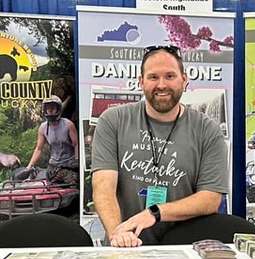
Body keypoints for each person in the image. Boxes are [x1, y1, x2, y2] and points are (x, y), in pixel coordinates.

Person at [91, 45, 228, 247]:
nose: (161, 85)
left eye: (170, 76)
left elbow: (210, 199)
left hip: (184, 250)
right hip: (125, 252)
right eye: (153, 77)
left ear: (184, 79)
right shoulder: (114, 120)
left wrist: (155, 212)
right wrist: (118, 235)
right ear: (141, 81)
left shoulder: (207, 130)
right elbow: (103, 188)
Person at [26, 96, 79, 186]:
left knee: (72, 187)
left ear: (58, 109)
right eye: (48, 108)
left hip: (69, 165)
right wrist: (29, 166)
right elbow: (39, 149)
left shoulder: (68, 125)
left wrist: (77, 162)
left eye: (53, 108)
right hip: (53, 166)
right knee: (49, 190)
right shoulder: (43, 128)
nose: (50, 110)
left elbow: (76, 144)